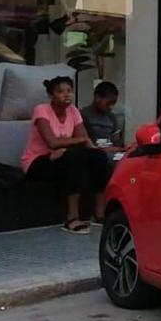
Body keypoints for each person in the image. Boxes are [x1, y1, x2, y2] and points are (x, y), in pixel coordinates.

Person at [21, 76, 113, 233]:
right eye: (61, 92)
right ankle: (72, 218)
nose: (67, 95)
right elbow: (52, 143)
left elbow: (84, 140)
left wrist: (96, 148)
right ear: (51, 95)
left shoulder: (73, 111)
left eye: (69, 91)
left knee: (98, 157)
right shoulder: (41, 110)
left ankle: (99, 213)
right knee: (75, 158)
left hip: (63, 157)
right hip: (39, 161)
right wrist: (75, 143)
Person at [84, 80, 126, 154]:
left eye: (113, 104)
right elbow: (84, 143)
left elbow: (116, 140)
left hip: (112, 151)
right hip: (94, 153)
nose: (111, 107)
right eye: (108, 103)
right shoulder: (84, 114)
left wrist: (121, 148)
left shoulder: (111, 117)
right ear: (97, 98)